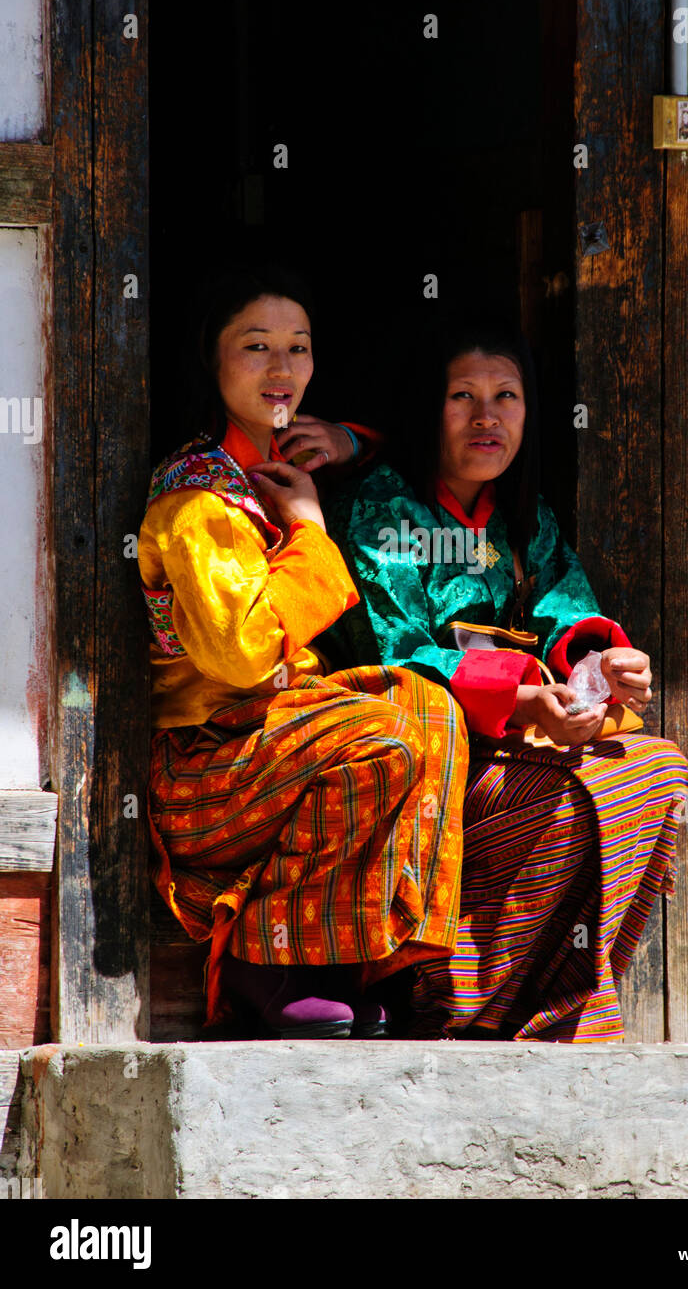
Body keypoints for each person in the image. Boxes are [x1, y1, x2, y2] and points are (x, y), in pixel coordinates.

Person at [323, 322, 688, 1042]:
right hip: (419, 761)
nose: (486, 416)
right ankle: (447, 996)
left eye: (506, 396)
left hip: (511, 739)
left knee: (658, 769)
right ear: (427, 408)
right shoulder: (380, 508)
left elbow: (568, 612)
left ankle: (558, 1005)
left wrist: (601, 670)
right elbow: (396, 655)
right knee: (562, 794)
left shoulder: (526, 518)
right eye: (461, 396)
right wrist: (521, 697)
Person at [138, 264, 467, 1038]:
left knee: (429, 708)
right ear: (211, 358)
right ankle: (266, 966)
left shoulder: (273, 468)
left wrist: (352, 440)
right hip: (205, 769)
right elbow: (246, 655)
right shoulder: (197, 495)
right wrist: (311, 532)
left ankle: (392, 956)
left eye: (299, 347)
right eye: (256, 347)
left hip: (272, 743)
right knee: (376, 741)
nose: (282, 369)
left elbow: (399, 443)